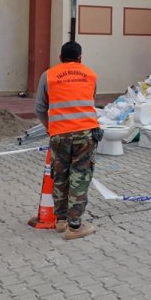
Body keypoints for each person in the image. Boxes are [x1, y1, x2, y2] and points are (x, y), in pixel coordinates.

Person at [35, 41, 100, 240]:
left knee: (60, 175)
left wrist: (50, 128)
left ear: (60, 58)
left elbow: (40, 108)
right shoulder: (90, 75)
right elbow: (90, 100)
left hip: (59, 135)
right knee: (80, 176)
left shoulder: (48, 75)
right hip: (85, 133)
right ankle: (75, 226)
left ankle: (61, 220)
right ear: (80, 58)